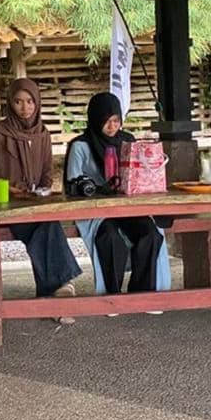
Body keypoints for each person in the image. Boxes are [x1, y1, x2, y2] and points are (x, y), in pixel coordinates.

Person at [0, 79, 81, 301]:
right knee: (46, 226)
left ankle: (54, 292)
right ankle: (63, 284)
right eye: (18, 102)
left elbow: (47, 172)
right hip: (6, 205)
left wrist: (42, 189)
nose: (25, 108)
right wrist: (4, 189)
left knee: (46, 224)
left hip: (35, 202)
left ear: (37, 102)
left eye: (30, 101)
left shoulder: (42, 133)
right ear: (10, 104)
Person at [64, 92, 171, 295]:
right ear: (95, 119)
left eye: (116, 121)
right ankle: (111, 296)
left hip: (127, 207)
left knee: (151, 235)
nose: (112, 127)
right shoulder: (81, 146)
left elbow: (139, 174)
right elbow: (72, 186)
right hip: (97, 210)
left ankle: (142, 292)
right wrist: (96, 189)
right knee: (110, 239)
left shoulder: (127, 141)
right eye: (106, 121)